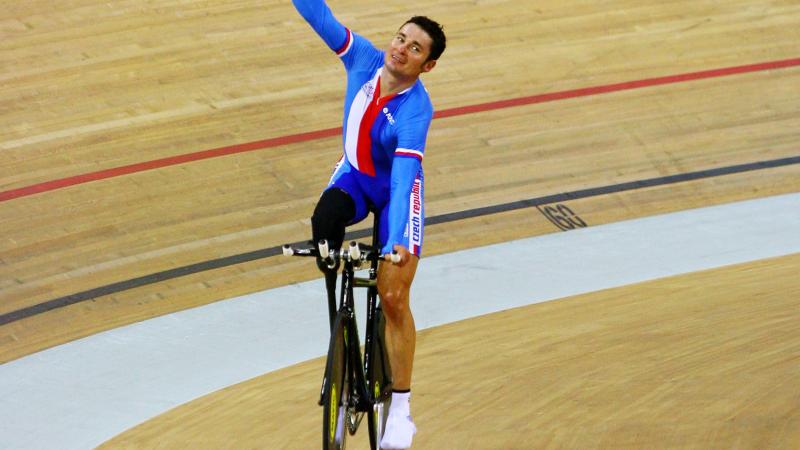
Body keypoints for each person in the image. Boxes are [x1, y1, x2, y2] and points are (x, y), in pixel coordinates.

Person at [291, 0, 446, 448]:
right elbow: (319, 16)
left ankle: (400, 409)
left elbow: (400, 186)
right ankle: (343, 341)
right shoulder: (362, 57)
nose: (401, 49)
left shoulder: (416, 111)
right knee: (324, 228)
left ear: (427, 64)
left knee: (393, 294)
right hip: (355, 176)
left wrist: (395, 241)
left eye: (415, 48)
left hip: (397, 191)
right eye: (401, 38)